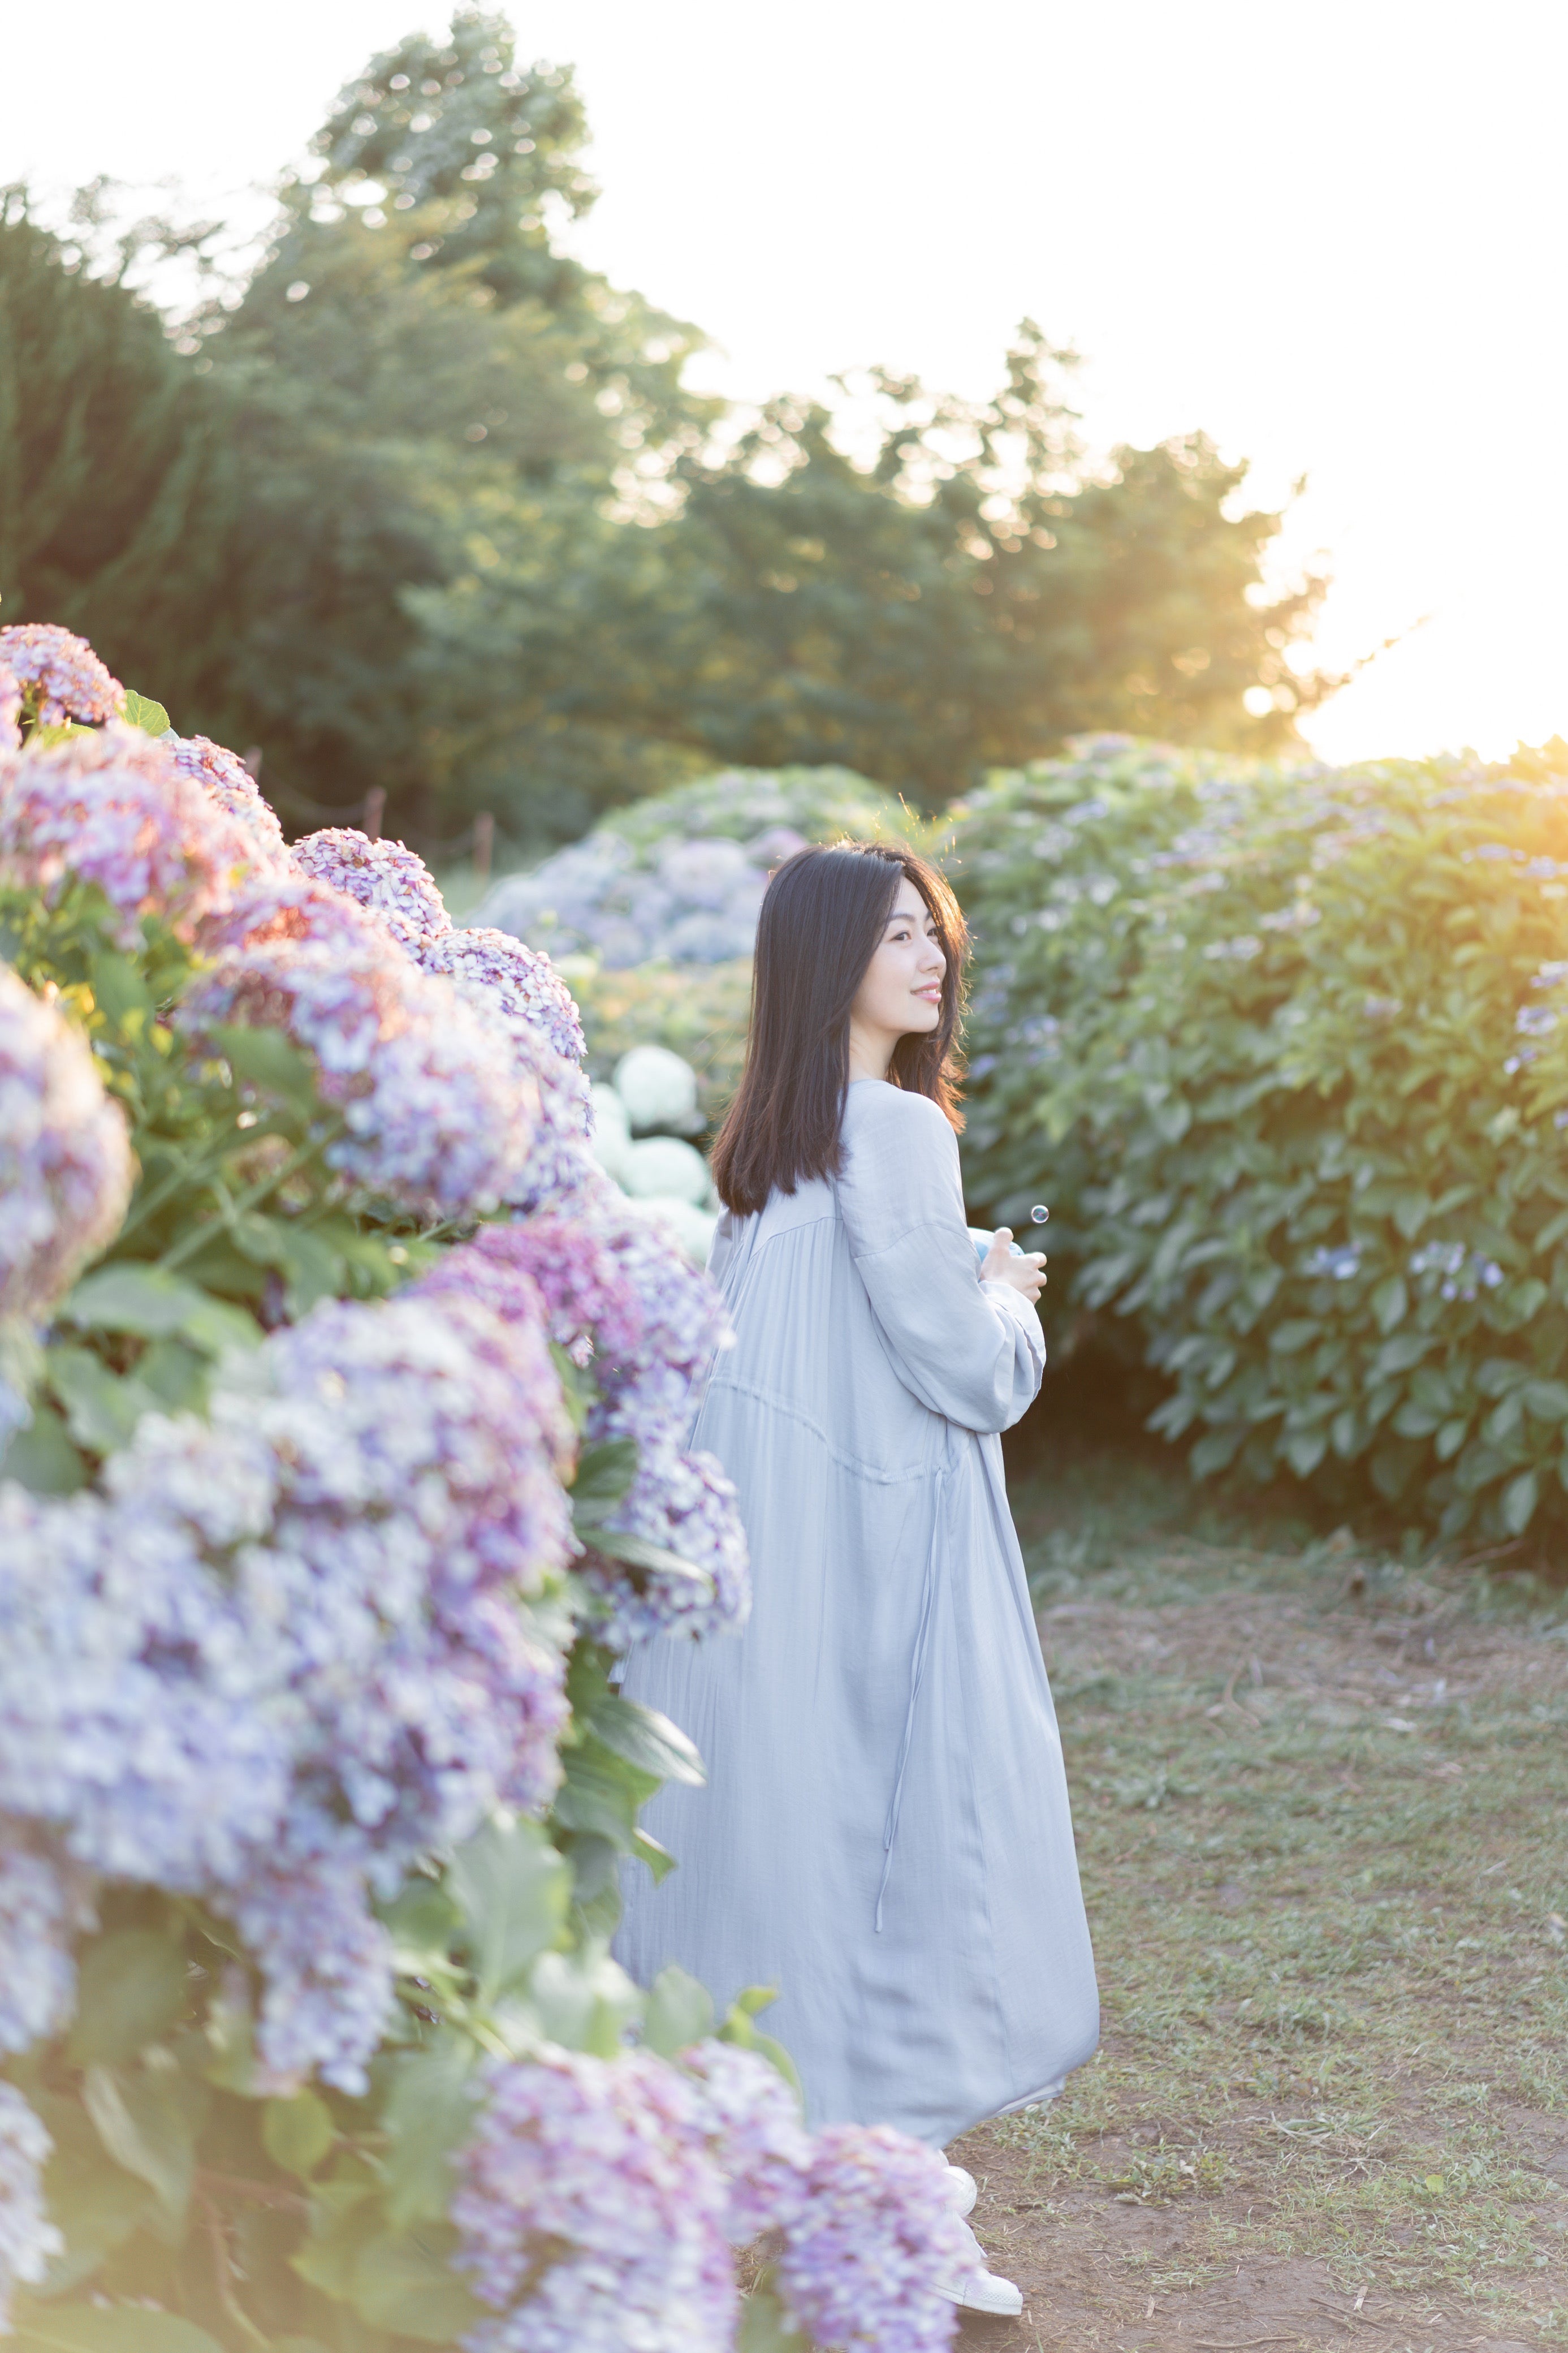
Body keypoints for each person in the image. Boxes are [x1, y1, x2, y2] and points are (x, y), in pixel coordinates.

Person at [615, 841, 1099, 2317]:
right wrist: (1008, 1303)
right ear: (830, 959)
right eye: (899, 935)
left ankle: (777, 2172)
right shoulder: (894, 1127)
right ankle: (891, 2205)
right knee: (904, 1840)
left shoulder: (771, 1148)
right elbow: (961, 1371)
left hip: (776, 1549)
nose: (931, 957)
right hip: (879, 1547)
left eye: (935, 931)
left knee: (780, 1844)